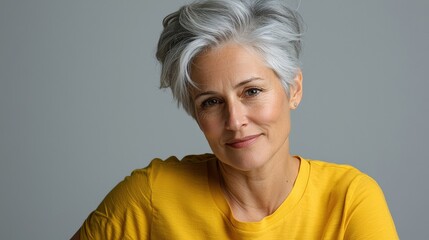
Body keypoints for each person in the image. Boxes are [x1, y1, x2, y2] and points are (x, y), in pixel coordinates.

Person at [71, 0, 398, 239]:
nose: (235, 120)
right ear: (196, 114)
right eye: (211, 102)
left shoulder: (349, 200)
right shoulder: (151, 195)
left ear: (293, 89)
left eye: (252, 91)